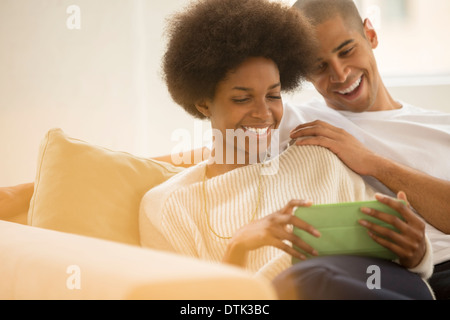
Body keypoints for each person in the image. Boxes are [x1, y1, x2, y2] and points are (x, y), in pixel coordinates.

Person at [139, 0, 433, 300]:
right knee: (306, 281)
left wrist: (417, 253)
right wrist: (238, 248)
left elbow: (394, 269)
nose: (263, 113)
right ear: (203, 103)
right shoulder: (168, 206)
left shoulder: (321, 158)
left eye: (273, 95)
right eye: (242, 99)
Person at [271, 0, 450, 300]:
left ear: (371, 35)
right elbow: (222, 140)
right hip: (376, 280)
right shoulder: (296, 121)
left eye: (346, 50)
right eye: (319, 66)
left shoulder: (442, 128)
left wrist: (372, 163)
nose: (340, 74)